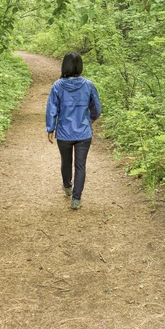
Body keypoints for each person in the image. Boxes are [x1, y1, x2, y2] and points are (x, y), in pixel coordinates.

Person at [46, 51, 102, 210]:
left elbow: (52, 108)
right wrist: (92, 118)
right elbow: (96, 107)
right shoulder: (88, 85)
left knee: (66, 161)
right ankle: (76, 199)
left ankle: (67, 186)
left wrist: (50, 128)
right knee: (80, 165)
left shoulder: (57, 86)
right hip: (84, 132)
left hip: (64, 132)